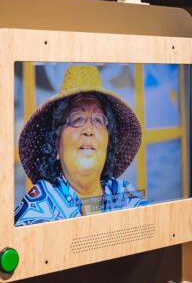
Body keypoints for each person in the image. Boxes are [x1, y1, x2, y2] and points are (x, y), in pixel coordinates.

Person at [14, 65, 149, 226]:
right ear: (56, 145)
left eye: (98, 120)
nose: (89, 130)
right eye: (77, 119)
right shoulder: (40, 206)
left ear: (108, 144)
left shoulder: (121, 193)